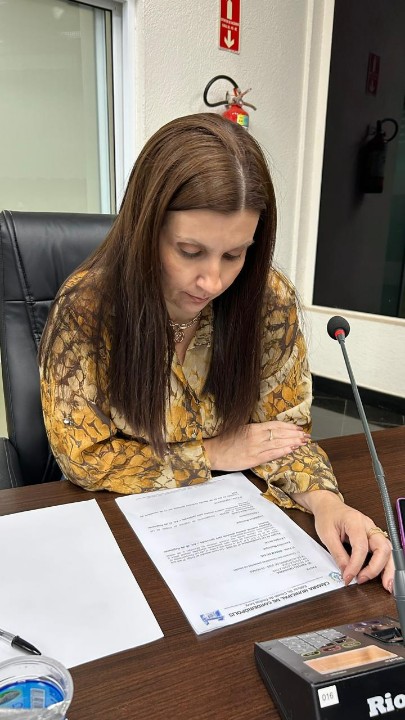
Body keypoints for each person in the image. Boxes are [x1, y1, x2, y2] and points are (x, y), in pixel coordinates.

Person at [39, 112, 393, 592]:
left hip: (234, 534)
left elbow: (281, 432)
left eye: (234, 255)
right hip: (123, 539)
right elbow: (84, 457)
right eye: (190, 251)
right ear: (145, 230)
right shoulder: (88, 308)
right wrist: (211, 453)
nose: (213, 281)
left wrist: (327, 504)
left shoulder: (267, 299)